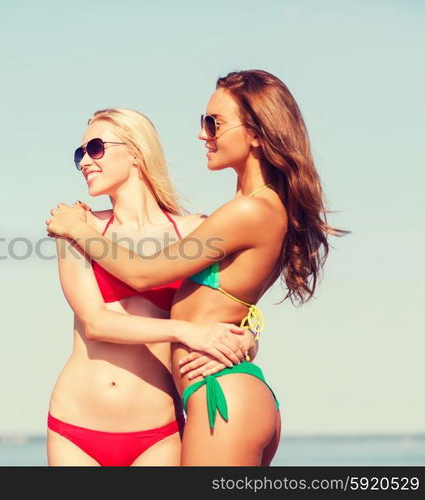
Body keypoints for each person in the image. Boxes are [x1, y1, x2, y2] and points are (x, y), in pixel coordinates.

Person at [46, 70, 348, 465]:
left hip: (205, 406)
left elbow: (144, 273)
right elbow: (232, 298)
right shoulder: (239, 212)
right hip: (97, 416)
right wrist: (246, 336)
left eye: (213, 123)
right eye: (79, 153)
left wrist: (78, 229)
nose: (203, 134)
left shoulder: (237, 212)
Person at [46, 108, 255, 466]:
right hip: (75, 427)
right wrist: (187, 332)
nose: (84, 162)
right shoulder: (76, 227)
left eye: (94, 148)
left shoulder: (192, 231)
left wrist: (246, 339)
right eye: (79, 154)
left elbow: (229, 307)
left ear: (136, 153)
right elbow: (96, 323)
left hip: (157, 433)